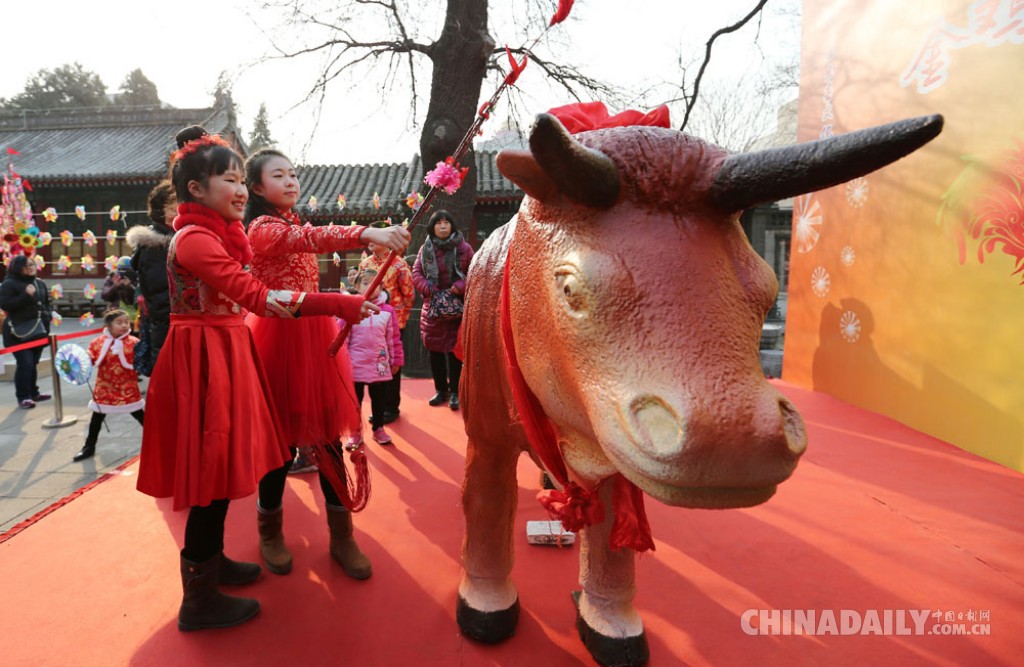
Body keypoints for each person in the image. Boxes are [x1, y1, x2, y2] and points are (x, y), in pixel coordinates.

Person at [135, 126, 376, 632]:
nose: (241, 189)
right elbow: (258, 296)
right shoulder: (197, 239)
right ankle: (198, 601)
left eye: (243, 179)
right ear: (196, 190)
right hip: (204, 359)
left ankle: (213, 562)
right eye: (230, 179)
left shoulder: (218, 233)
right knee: (208, 475)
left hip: (223, 349)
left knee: (219, 470)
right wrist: (339, 303)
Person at [243, 147, 410, 579]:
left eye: (293, 173)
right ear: (258, 188)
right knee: (278, 449)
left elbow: (311, 235)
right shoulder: (262, 228)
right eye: (279, 175)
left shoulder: (293, 222)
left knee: (327, 441)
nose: (291, 180)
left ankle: (342, 535)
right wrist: (366, 234)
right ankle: (270, 530)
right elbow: (314, 240)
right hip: (274, 342)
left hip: (313, 340)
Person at [412, 210, 474, 410]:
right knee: (435, 352)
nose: (443, 225)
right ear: (432, 227)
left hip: (457, 308)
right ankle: (441, 390)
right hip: (433, 309)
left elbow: (475, 270)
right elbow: (417, 273)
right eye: (438, 222)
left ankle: (456, 391)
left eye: (447, 222)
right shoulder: (425, 248)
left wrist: (460, 287)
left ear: (452, 226)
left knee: (455, 352)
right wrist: (428, 288)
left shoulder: (465, 248)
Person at [72, 309, 145, 462]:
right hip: (105, 387)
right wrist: (79, 362)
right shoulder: (97, 342)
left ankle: (158, 442)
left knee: (141, 416)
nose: (124, 325)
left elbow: (141, 360)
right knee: (96, 418)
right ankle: (89, 446)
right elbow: (90, 358)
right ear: (109, 325)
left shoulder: (134, 342)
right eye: (119, 323)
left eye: (126, 322)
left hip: (127, 388)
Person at [359, 233, 415, 423]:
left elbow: (408, 294)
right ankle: (379, 408)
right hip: (370, 322)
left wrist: (401, 319)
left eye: (376, 238)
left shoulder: (399, 264)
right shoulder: (365, 264)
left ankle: (392, 407)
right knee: (376, 365)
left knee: (391, 365)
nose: (372, 241)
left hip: (393, 322)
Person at [346, 268, 404, 446]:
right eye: (365, 283)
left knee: (379, 399)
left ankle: (378, 428)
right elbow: (343, 338)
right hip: (355, 364)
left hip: (378, 364)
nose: (370, 286)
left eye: (375, 283)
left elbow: (393, 339)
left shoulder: (387, 311)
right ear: (356, 286)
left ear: (381, 287)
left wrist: (396, 360)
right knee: (354, 401)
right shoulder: (350, 309)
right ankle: (355, 432)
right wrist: (342, 362)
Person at [127, 180, 176, 375]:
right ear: (161, 211)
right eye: (174, 206)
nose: (180, 210)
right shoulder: (156, 247)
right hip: (169, 330)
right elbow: (163, 298)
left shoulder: (173, 239)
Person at [0, 255, 52, 409]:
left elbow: (46, 303)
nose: (30, 267)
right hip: (18, 332)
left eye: (32, 264)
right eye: (26, 265)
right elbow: (6, 305)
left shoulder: (39, 282)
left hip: (38, 330)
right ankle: (23, 397)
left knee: (33, 363)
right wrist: (25, 295)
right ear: (17, 267)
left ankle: (33, 392)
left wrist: (47, 315)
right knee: (25, 363)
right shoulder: (9, 284)